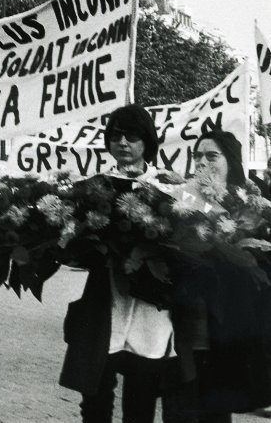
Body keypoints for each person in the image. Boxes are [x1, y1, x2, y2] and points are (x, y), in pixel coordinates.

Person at [59, 105, 177, 422]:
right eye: (115, 135)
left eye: (132, 136)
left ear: (147, 141)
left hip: (149, 312)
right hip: (104, 302)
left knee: (140, 404)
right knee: (94, 400)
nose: (122, 143)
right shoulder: (92, 186)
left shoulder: (167, 187)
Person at [166, 130, 271, 422]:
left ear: (231, 162)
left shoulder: (247, 203)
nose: (202, 162)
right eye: (197, 155)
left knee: (217, 409)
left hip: (226, 327)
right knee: (182, 407)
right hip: (186, 323)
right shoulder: (179, 196)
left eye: (211, 156)